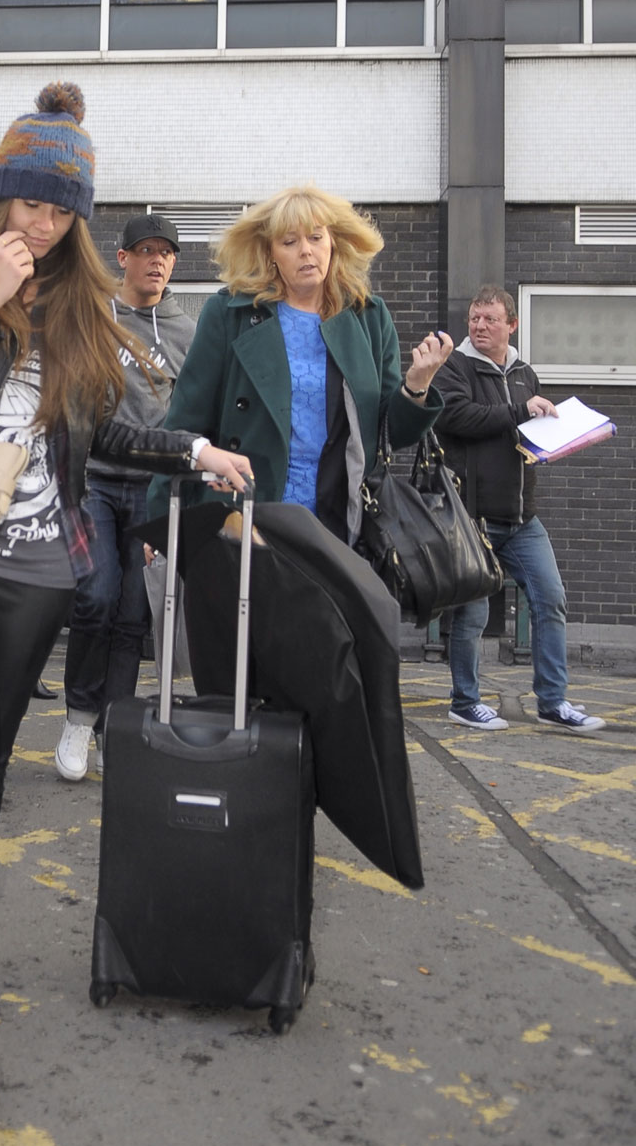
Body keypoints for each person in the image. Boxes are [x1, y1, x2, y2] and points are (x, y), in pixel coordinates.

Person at [0, 82, 251, 1102]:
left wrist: (192, 446)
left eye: (58, 212)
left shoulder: (85, 298)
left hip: (39, 560)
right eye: (25, 204)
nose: (39, 227)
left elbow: (103, 430)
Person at [148, 185, 452, 538]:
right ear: (270, 253)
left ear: (333, 243)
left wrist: (417, 384)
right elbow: (186, 421)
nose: (306, 251)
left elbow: (387, 435)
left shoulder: (368, 316)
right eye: (290, 242)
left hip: (339, 516)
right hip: (245, 511)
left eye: (316, 237)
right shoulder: (229, 314)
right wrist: (162, 520)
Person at [54, 212, 195, 782]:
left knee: (134, 614)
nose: (157, 260)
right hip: (96, 476)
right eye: (146, 250)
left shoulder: (187, 330)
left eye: (166, 252)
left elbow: (191, 407)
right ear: (124, 258)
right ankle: (77, 717)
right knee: (97, 595)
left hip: (154, 487)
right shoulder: (96, 314)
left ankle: (113, 726)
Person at [433, 286, 606, 735]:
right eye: (474, 318)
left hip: (522, 515)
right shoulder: (455, 367)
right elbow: (455, 417)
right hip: (473, 516)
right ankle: (464, 702)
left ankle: (552, 701)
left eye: (490, 319)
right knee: (472, 614)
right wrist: (518, 411)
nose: (479, 326)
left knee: (550, 599)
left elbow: (523, 427)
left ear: (512, 324)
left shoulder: (525, 372)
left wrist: (553, 439)